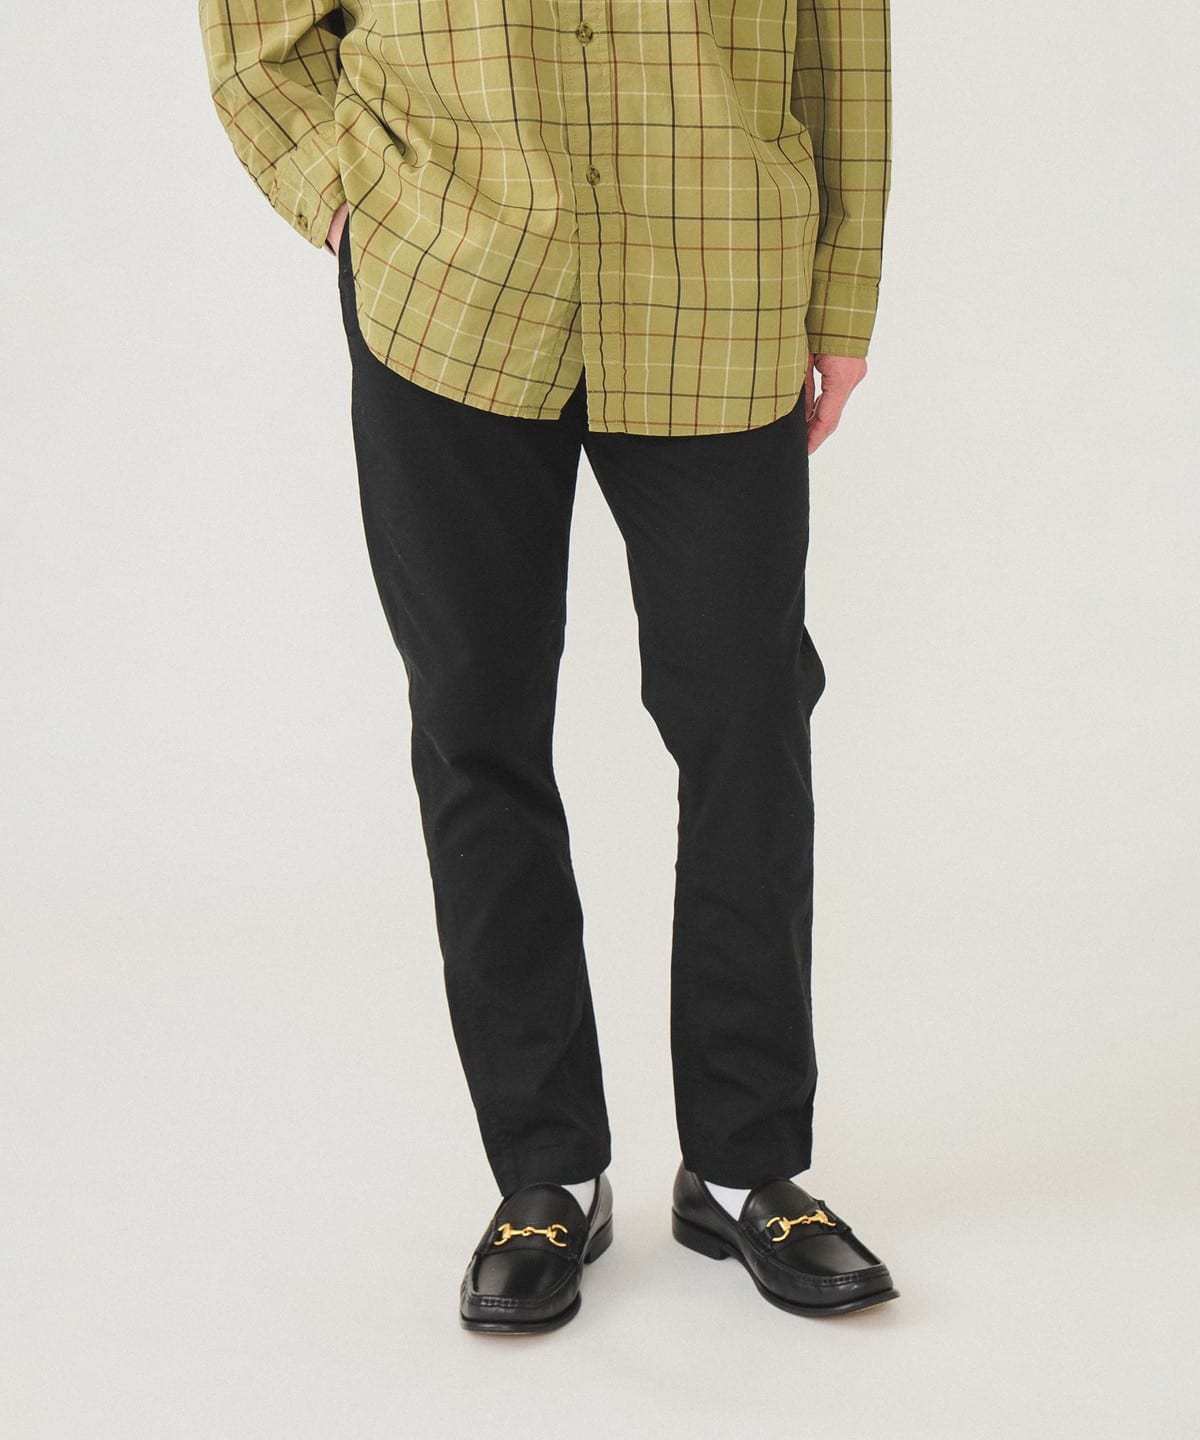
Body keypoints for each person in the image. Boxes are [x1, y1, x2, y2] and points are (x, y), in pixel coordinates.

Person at [199, 1, 896, 1332]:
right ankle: (545, 1169)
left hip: (718, 274)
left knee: (748, 712)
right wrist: (348, 201)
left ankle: (747, 1166)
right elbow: (257, 33)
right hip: (450, 277)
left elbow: (844, 36)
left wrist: (844, 285)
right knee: (477, 720)